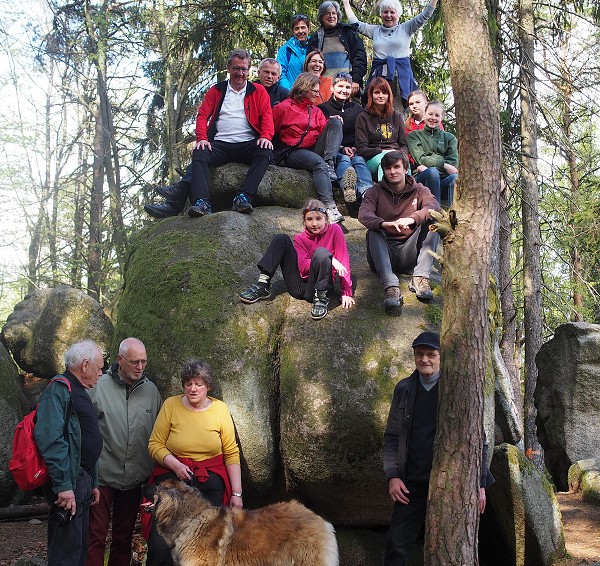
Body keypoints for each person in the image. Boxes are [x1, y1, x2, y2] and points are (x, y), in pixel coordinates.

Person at [383, 331, 495, 565]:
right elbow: (392, 436)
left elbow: (479, 441)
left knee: (449, 547)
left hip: (451, 484)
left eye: (431, 355)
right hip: (411, 486)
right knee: (396, 543)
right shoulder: (404, 389)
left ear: (441, 357)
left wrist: (481, 484)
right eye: (419, 354)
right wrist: (393, 476)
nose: (425, 359)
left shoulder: (457, 390)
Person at [145, 57, 286, 219]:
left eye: (243, 69)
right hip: (220, 144)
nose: (240, 73)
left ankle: (243, 197)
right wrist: (202, 138)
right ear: (228, 68)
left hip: (247, 143)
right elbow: (203, 115)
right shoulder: (217, 90)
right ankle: (202, 202)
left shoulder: (259, 91)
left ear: (248, 71)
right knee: (200, 151)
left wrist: (266, 136)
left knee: (265, 150)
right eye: (236, 68)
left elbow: (267, 116)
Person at [145, 359, 242, 566]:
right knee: (161, 542)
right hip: (174, 481)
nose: (193, 388)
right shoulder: (171, 405)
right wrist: (176, 465)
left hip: (210, 480)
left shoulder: (220, 409)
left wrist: (237, 494)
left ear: (208, 386)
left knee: (207, 542)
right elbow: (155, 444)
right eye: (188, 383)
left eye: (198, 384)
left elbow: (231, 453)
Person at [86, 338, 162, 566]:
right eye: (134, 361)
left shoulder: (151, 391)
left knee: (123, 537)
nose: (140, 366)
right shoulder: (99, 387)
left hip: (134, 480)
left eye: (143, 362)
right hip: (101, 476)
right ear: (120, 360)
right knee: (95, 536)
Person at [34, 340, 105, 566]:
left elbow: (82, 439)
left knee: (78, 547)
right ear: (85, 365)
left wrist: (93, 481)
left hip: (81, 479)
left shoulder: (78, 391)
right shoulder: (58, 390)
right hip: (69, 481)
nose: (101, 373)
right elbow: (51, 440)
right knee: (66, 550)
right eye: (99, 367)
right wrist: (64, 486)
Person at [239, 198, 355, 320]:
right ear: (304, 222)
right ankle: (262, 285)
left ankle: (321, 299)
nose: (314, 223)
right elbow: (303, 266)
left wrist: (346, 292)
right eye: (309, 219)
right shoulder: (300, 239)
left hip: (319, 288)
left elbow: (343, 260)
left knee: (322, 253)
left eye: (318, 218)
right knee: (281, 239)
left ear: (326, 218)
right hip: (298, 287)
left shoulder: (335, 231)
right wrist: (331, 259)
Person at [357, 150, 440, 315]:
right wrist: (384, 224)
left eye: (396, 167)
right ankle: (391, 286)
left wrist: (413, 218)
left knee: (434, 222)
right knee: (373, 231)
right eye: (388, 168)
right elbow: (364, 215)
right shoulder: (375, 191)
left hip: (408, 252)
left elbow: (434, 207)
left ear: (405, 169)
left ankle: (420, 278)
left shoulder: (419, 190)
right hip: (382, 253)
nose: (392, 171)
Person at [273, 72, 345, 224]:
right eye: (314, 91)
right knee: (319, 163)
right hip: (291, 152)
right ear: (303, 88)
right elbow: (270, 132)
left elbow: (324, 133)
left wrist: (333, 129)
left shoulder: (316, 110)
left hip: (313, 148)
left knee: (335, 122)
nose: (317, 95)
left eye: (318, 91)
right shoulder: (283, 108)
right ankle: (330, 208)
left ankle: (330, 163)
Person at [342, 0, 438, 111]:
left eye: (392, 12)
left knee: (398, 112)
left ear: (398, 14)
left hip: (400, 78)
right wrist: (346, 3)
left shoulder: (406, 28)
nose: (388, 15)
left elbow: (425, 15)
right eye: (385, 12)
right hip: (379, 77)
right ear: (381, 14)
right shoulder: (375, 31)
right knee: (377, 111)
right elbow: (355, 24)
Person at [318, 72, 373, 203]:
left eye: (347, 87)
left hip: (354, 149)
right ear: (332, 88)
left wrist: (354, 148)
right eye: (340, 86)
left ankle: (367, 191)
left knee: (359, 160)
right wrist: (342, 148)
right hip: (333, 150)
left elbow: (361, 133)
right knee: (344, 160)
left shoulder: (357, 109)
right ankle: (348, 188)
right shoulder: (323, 108)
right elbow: (321, 134)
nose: (344, 90)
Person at [307, 1, 367, 98]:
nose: (331, 16)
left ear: (338, 16)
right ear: (322, 17)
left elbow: (359, 57)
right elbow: (310, 65)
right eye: (327, 13)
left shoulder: (348, 34)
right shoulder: (316, 38)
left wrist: (356, 80)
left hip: (347, 86)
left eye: (334, 13)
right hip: (323, 89)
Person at [355, 77, 408, 182]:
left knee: (402, 163)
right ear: (371, 95)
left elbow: (403, 144)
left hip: (396, 155)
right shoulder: (363, 117)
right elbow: (361, 149)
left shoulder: (397, 116)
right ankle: (384, 195)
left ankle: (407, 195)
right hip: (374, 159)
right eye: (377, 92)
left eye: (384, 93)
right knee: (385, 160)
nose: (381, 96)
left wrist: (400, 154)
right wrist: (383, 151)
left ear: (389, 95)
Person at [407, 100, 458, 207]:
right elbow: (421, 159)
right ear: (424, 114)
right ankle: (434, 214)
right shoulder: (414, 136)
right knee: (432, 172)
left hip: (443, 181)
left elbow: (453, 165)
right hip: (423, 178)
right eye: (430, 114)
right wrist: (444, 165)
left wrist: (428, 164)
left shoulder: (450, 138)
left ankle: (452, 217)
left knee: (454, 178)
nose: (433, 118)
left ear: (442, 117)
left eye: (437, 115)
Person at [277, 14, 311, 90]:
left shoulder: (315, 46)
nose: (300, 31)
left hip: (312, 94)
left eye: (303, 28)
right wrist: (289, 91)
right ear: (293, 31)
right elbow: (280, 73)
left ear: (308, 29)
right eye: (296, 28)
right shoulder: (285, 50)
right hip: (291, 94)